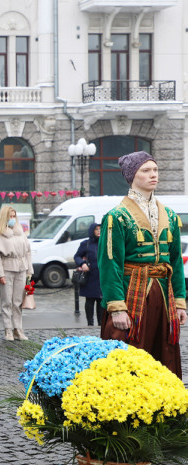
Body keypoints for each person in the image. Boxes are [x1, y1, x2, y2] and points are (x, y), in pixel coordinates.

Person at [98, 151, 186, 378]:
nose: (153, 175)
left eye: (155, 170)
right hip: (131, 294)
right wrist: (117, 308)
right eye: (145, 171)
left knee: (163, 351)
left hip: (163, 296)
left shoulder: (170, 215)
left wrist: (179, 302)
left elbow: (175, 261)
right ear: (131, 175)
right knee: (129, 351)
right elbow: (110, 265)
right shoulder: (116, 217)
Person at [0, 205, 33, 341]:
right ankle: (8, 329)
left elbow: (28, 252)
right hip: (7, 269)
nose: (12, 219)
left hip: (21, 268)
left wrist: (29, 271)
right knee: (7, 301)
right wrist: (0, 274)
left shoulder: (20, 233)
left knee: (18, 301)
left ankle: (18, 328)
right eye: (10, 216)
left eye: (14, 216)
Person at [74, 223, 103, 326]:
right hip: (90, 276)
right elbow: (77, 256)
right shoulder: (86, 244)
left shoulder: (105, 243)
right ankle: (90, 323)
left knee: (101, 301)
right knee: (90, 300)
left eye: (100, 229)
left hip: (102, 276)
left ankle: (101, 324)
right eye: (97, 229)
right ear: (92, 231)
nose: (99, 231)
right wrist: (83, 264)